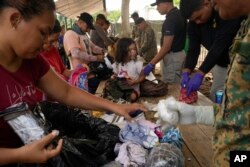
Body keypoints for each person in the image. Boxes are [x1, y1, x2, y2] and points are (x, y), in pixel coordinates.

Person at [0, 0, 147, 165]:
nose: (45, 43)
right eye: (42, 33)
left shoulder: (32, 61)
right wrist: (18, 155)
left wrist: (116, 107)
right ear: (15, 19)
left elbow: (66, 92)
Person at [160, 0, 250, 165]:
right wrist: (198, 114)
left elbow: (219, 45)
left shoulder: (230, 17)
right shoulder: (245, 24)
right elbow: (239, 108)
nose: (213, 3)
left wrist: (201, 73)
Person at [179, 0, 243, 101]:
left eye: (199, 17)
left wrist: (200, 73)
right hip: (220, 64)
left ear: (206, 4)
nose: (197, 22)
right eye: (193, 20)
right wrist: (187, 70)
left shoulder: (225, 13)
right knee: (217, 96)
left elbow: (220, 45)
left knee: (237, 99)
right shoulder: (193, 24)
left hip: (240, 64)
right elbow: (193, 49)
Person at [143, 0, 187, 84]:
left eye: (158, 5)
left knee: (171, 86)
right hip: (178, 55)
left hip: (172, 57)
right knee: (175, 84)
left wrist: (151, 64)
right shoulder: (180, 14)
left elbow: (166, 47)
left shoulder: (171, 19)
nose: (157, 8)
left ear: (166, 3)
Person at [112, 38, 145, 102]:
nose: (134, 52)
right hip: (121, 88)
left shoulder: (137, 63)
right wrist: (114, 77)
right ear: (122, 51)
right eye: (130, 50)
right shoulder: (117, 64)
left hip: (133, 90)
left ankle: (122, 100)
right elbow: (115, 75)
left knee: (132, 97)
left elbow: (142, 76)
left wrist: (135, 81)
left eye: (134, 49)